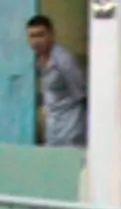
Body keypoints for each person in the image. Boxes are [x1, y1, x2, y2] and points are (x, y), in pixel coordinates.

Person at [25, 14, 87, 148]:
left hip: (71, 130)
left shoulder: (63, 60)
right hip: (53, 129)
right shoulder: (37, 61)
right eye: (32, 36)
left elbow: (82, 94)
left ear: (51, 35)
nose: (36, 41)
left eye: (40, 35)